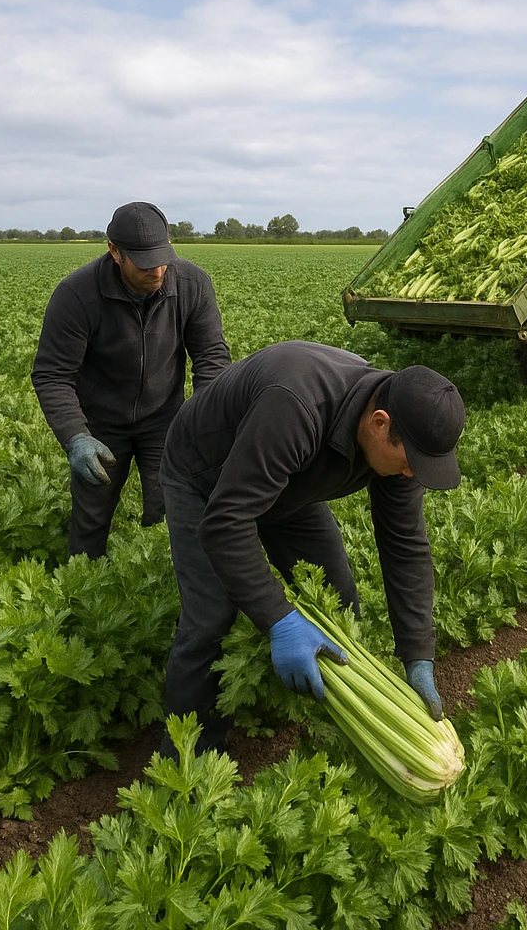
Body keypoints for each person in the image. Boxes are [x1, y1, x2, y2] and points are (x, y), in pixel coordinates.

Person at [157, 339, 466, 756]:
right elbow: (226, 522)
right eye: (410, 460)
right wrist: (277, 618)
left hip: (288, 483)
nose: (412, 472)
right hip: (204, 477)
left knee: (339, 606)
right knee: (212, 616)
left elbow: (405, 545)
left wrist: (418, 653)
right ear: (379, 422)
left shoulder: (403, 438)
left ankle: (341, 729)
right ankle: (185, 759)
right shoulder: (295, 406)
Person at [31, 201, 230, 558]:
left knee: (170, 507)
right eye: (143, 261)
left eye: (162, 257)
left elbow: (211, 357)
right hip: (101, 421)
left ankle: (158, 585)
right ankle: (84, 585)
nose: (156, 271)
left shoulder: (191, 284)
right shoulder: (77, 294)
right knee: (92, 512)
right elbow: (53, 374)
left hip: (165, 418)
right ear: (114, 251)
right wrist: (76, 437)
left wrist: (208, 423)